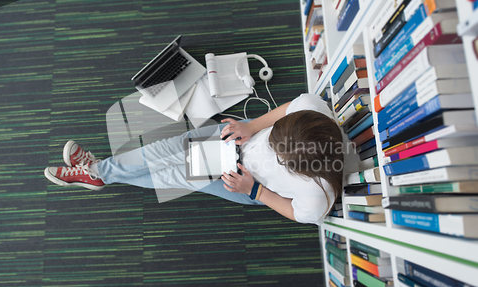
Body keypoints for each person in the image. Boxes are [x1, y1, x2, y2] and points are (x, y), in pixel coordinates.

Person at [44, 93, 344, 224]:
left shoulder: (318, 196)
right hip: (241, 137)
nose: (272, 145)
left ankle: (97, 172)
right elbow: (291, 107)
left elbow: (295, 212)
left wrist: (255, 191)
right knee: (165, 150)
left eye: (276, 152)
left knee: (173, 175)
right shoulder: (315, 110)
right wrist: (253, 126)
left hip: (247, 181)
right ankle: (99, 172)